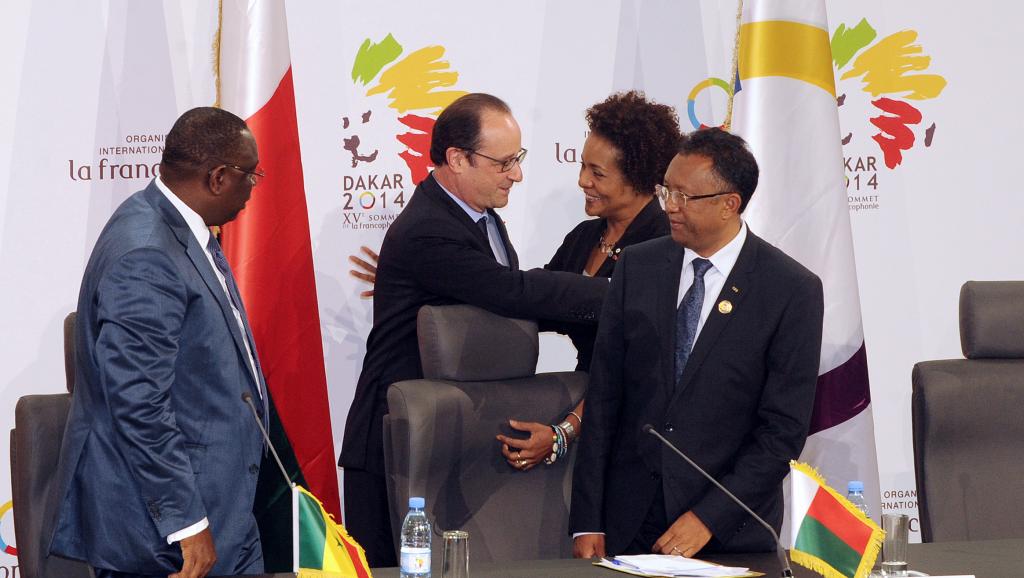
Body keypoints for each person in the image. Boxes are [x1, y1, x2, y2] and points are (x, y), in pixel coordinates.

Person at [338, 93, 608, 567]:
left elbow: (510, 305)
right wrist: (616, 295)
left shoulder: (480, 218)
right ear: (457, 159)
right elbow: (511, 294)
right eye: (504, 162)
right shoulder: (429, 230)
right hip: (397, 441)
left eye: (517, 160)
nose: (517, 174)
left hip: (451, 433)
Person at [570, 128, 824, 559]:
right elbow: (604, 399)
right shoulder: (638, 266)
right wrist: (587, 520)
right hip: (628, 522)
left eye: (685, 197)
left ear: (730, 204)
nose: (669, 206)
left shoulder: (790, 289)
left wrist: (709, 517)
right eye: (667, 190)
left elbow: (781, 433)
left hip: (729, 532)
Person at [50, 107, 269, 578]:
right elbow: (138, 403)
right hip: (166, 533)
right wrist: (187, 523)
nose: (254, 186)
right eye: (251, 175)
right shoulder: (147, 252)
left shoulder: (177, 227)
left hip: (225, 506)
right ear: (218, 177)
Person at [496, 90, 679, 471]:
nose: (582, 181)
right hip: (590, 417)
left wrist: (567, 430)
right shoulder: (583, 237)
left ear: (640, 177)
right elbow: (533, 303)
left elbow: (632, 366)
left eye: (597, 173)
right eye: (582, 167)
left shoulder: (664, 246)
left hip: (638, 433)